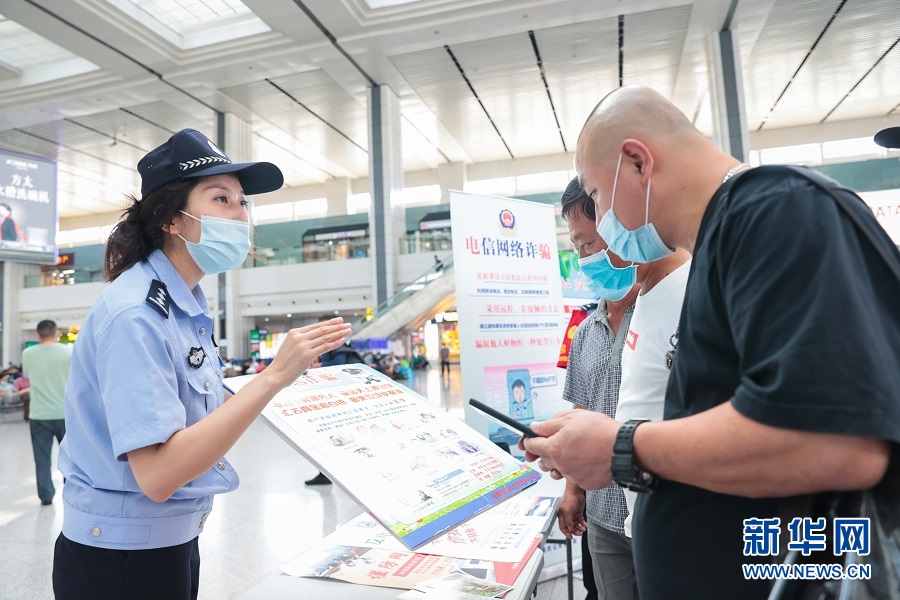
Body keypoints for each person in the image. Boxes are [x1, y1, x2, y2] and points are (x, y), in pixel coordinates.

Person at [522, 86, 899, 599]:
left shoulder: (777, 211)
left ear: (637, 162)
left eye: (596, 194)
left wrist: (621, 448)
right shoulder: (723, 239)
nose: (601, 218)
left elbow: (838, 441)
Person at [52, 128, 352, 600]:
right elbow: (158, 474)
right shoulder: (137, 313)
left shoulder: (183, 303)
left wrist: (288, 386)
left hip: (169, 540)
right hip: (120, 559)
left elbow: (191, 419)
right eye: (221, 199)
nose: (240, 215)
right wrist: (271, 377)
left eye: (242, 202)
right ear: (173, 218)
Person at [556, 177, 638, 600]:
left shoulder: (659, 315)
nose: (583, 258)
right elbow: (580, 411)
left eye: (589, 245)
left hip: (652, 508)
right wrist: (572, 490)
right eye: (577, 247)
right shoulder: (585, 331)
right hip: (603, 513)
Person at [22, 320, 72, 505]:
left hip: (39, 414)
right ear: (57, 333)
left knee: (41, 458)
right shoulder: (68, 351)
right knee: (71, 458)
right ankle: (71, 493)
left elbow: (27, 378)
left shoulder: (27, 353)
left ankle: (46, 496)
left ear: (38, 335)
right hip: (65, 414)